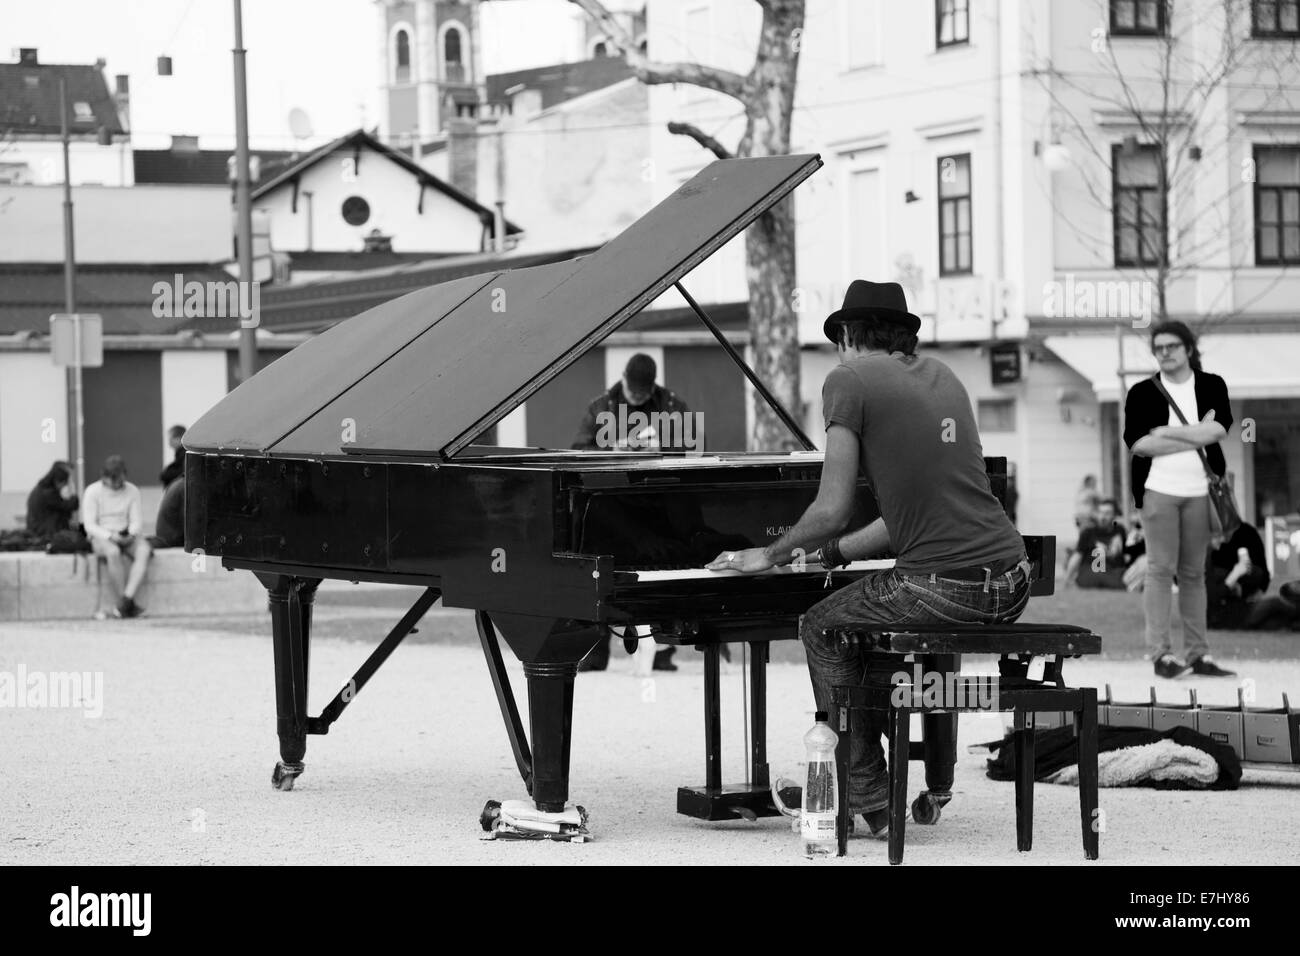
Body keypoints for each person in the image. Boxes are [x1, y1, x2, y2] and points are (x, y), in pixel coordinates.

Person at [707, 280, 1031, 836]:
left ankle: (865, 796)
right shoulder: (945, 378)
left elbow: (832, 508)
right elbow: (897, 519)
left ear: (849, 337)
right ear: (903, 336)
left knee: (820, 626)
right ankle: (876, 790)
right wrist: (829, 556)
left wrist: (770, 554)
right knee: (867, 641)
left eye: (838, 340)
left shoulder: (847, 381)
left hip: (942, 586)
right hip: (1011, 580)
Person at [1125, 321, 1235, 678]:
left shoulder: (1212, 385)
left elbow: (1219, 429)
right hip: (1158, 491)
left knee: (1193, 574)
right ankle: (1161, 655)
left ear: (1188, 348)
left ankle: (1198, 654)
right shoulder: (1141, 392)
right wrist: (1195, 434)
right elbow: (1140, 443)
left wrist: (1169, 433)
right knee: (1159, 570)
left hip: (1200, 492)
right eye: (1159, 348)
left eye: (1173, 345)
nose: (1166, 352)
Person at [573, 354, 695, 672]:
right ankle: (596, 648)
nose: (638, 397)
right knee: (599, 572)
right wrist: (613, 449)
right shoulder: (600, 407)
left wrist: (661, 447)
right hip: (611, 506)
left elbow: (696, 449)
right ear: (624, 378)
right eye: (633, 391)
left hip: (657, 504)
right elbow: (578, 451)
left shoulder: (671, 405)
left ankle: (663, 649)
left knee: (666, 566)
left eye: (643, 393)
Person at [83, 455, 149, 619]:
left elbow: (136, 520)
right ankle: (125, 603)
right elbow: (89, 525)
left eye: (119, 480)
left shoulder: (132, 490)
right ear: (104, 477)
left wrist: (131, 534)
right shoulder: (92, 491)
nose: (117, 484)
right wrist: (110, 536)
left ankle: (126, 600)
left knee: (144, 550)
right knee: (113, 553)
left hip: (126, 533)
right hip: (102, 535)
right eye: (113, 481)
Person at [1206, 521, 1270, 630]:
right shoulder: (1202, 560)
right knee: (1276, 605)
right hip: (1224, 617)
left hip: (1235, 609)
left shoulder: (1212, 558)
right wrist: (1235, 574)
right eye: (1218, 536)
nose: (1222, 540)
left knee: (1277, 618)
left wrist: (1237, 585)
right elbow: (1211, 597)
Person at [1064, 498, 1129, 589]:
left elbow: (1127, 554)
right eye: (1100, 512)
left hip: (1113, 571)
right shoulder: (1088, 532)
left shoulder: (1120, 530)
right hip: (1092, 571)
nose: (1102, 517)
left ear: (1114, 515)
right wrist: (1067, 580)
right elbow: (1077, 556)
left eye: (1107, 513)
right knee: (1099, 576)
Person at [25, 461, 79, 542]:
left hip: (37, 529)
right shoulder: (48, 493)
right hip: (44, 532)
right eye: (65, 484)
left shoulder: (41, 489)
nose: (64, 487)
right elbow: (71, 505)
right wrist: (73, 489)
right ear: (58, 481)